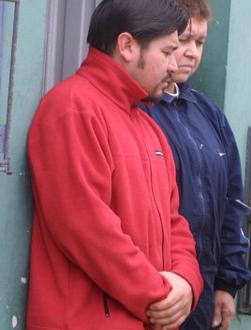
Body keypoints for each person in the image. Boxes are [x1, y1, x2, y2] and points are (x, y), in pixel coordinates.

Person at [26, 1, 204, 329]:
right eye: (167, 52)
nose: (174, 65)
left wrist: (186, 282)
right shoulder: (72, 108)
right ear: (127, 46)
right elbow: (85, 226)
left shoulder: (149, 126)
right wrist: (159, 295)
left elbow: (175, 221)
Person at [140, 1, 251, 329]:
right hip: (155, 291)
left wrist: (226, 283)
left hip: (202, 291)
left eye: (200, 43)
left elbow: (233, 202)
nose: (191, 52)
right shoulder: (138, 110)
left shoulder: (208, 113)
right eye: (184, 40)